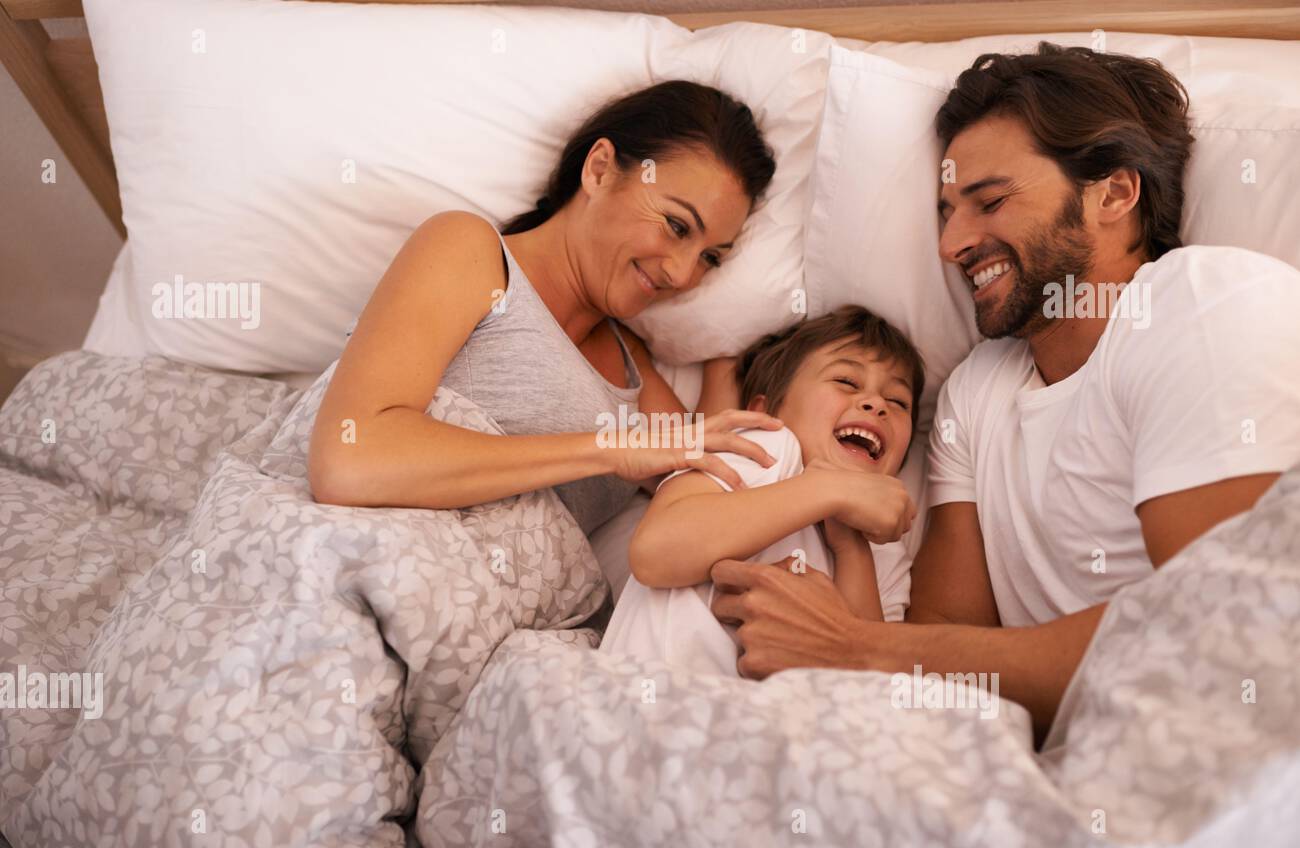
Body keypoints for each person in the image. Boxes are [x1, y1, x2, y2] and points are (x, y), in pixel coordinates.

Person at [706, 44, 1300, 746]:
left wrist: (853, 644)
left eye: (989, 201)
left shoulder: (1203, 302)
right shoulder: (975, 392)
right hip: (1026, 766)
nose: (951, 243)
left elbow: (1220, 634)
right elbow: (944, 645)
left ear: (1114, 192)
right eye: (946, 210)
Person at [307, 81, 784, 535]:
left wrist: (725, 350)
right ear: (599, 170)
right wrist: (606, 450)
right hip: (355, 555)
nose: (682, 275)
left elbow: (713, 489)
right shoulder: (473, 254)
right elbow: (349, 459)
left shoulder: (630, 365)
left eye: (710, 258)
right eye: (677, 226)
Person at [601, 306, 922, 676]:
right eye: (846, 382)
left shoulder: (888, 550)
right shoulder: (765, 447)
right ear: (764, 411)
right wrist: (827, 489)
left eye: (898, 402)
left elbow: (872, 681)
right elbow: (653, 554)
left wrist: (851, 548)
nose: (876, 404)